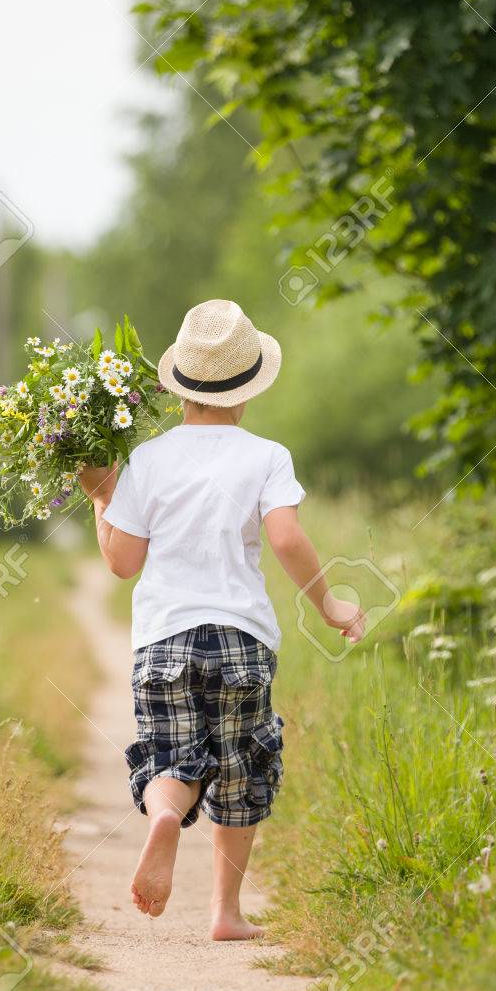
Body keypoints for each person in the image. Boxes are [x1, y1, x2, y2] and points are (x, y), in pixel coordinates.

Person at [79, 299, 365, 940]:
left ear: (179, 383)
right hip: (241, 639)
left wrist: (103, 499)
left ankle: (164, 817)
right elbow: (287, 540)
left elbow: (123, 563)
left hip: (163, 640)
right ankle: (225, 914)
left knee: (170, 757)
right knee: (242, 769)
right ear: (248, 388)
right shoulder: (266, 456)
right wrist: (329, 605)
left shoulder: (147, 459)